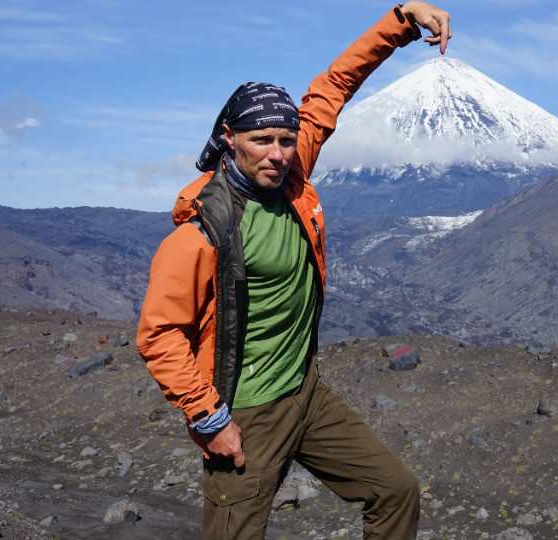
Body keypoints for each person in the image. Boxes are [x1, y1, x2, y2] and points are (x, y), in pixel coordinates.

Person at [136, 3, 451, 538]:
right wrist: (210, 421)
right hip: (246, 414)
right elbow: (160, 335)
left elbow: (333, 86)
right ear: (230, 139)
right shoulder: (202, 232)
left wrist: (400, 20)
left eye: (285, 140)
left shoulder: (290, 175)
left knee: (396, 491)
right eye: (262, 141)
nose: (278, 153)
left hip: (306, 393)